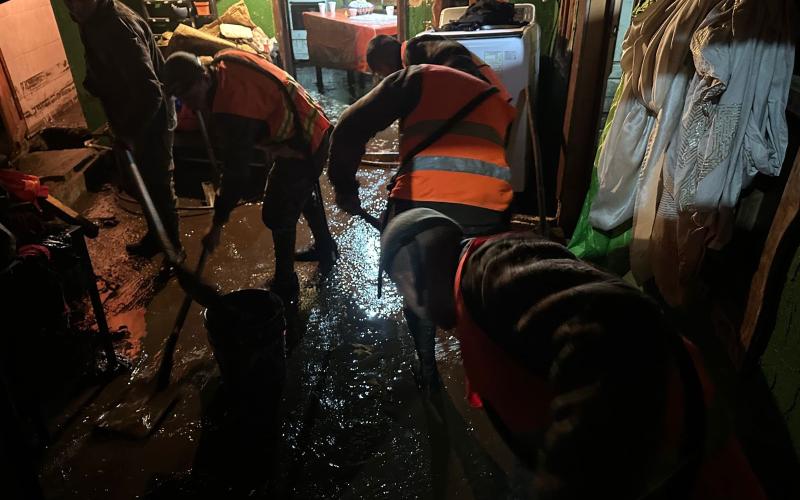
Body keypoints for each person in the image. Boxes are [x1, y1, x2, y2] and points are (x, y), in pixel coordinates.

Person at [379, 207, 768, 500]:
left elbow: (619, 325)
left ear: (413, 275)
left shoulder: (492, 270)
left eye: (401, 287)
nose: (407, 301)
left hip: (681, 467)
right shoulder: (481, 290)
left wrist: (562, 477)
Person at [328, 62, 515, 390]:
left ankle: (427, 366)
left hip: (425, 200)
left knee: (422, 281)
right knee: (475, 285)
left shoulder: (419, 77)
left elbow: (348, 126)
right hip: (491, 210)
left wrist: (345, 188)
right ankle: (489, 374)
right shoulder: (498, 95)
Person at [162, 49, 336, 305]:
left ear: (202, 77)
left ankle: (286, 284)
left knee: (276, 213)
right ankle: (325, 247)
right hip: (304, 125)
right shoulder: (222, 62)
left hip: (305, 141)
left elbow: (236, 174)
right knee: (299, 193)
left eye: (189, 95)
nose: (189, 105)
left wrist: (217, 224)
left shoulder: (231, 109)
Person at [64, 0, 182, 259]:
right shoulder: (89, 19)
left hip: (151, 119)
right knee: (139, 184)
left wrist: (130, 134)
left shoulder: (118, 26)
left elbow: (150, 92)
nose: (73, 7)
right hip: (126, 115)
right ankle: (156, 236)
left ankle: (173, 248)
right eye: (68, 2)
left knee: (158, 184)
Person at [366, 33, 512, 103]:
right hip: (492, 104)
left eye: (381, 73)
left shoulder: (416, 50)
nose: (385, 77)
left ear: (384, 64)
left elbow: (460, 67)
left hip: (491, 104)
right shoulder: (414, 55)